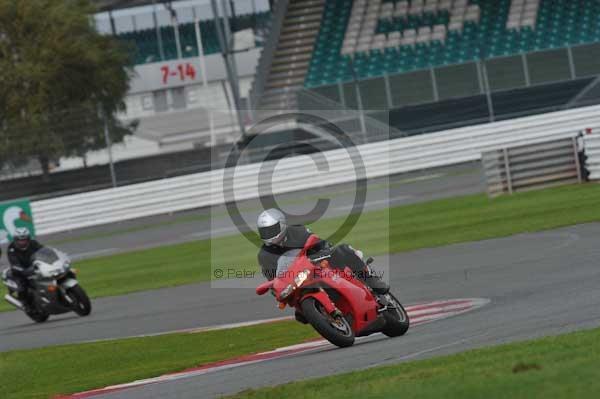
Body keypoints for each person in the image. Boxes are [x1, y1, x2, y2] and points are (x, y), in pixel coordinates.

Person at [256, 208, 389, 295]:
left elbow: (320, 243)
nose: (268, 234)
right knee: (299, 312)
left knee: (342, 249)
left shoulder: (296, 230)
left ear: (282, 224)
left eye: (271, 230)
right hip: (298, 280)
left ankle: (370, 279)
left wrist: (325, 252)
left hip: (318, 262)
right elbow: (273, 279)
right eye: (265, 232)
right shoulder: (264, 255)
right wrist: (276, 289)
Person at [5, 227, 43, 310]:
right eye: (20, 240)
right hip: (20, 270)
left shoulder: (34, 243)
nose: (22, 242)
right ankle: (23, 302)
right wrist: (23, 270)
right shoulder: (11, 248)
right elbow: (13, 263)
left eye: (24, 239)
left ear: (28, 238)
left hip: (34, 265)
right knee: (22, 284)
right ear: (15, 240)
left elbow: (43, 251)